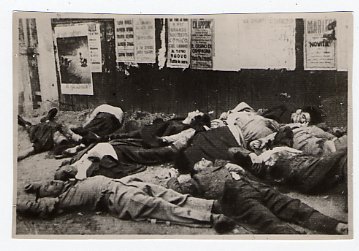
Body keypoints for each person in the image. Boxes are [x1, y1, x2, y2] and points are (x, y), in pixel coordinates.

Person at [167, 158, 348, 234]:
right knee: (268, 221)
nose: (203, 161)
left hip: (256, 187)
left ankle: (335, 226)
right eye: (199, 162)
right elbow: (175, 189)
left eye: (204, 159)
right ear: (195, 169)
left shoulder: (222, 164)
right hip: (235, 195)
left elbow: (245, 166)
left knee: (294, 205)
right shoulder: (196, 179)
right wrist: (175, 177)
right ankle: (296, 239)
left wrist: (237, 168)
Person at [16, 175, 236, 233]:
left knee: (167, 193)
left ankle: (210, 205)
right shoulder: (60, 201)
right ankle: (212, 219)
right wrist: (21, 203)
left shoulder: (67, 182)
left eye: (51, 181)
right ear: (47, 197)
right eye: (48, 186)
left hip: (123, 184)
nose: (53, 182)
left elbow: (63, 173)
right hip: (116, 199)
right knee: (161, 207)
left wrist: (35, 185)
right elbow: (32, 207)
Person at [229, 128, 347, 194]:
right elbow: (233, 151)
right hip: (307, 172)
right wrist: (252, 153)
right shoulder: (263, 158)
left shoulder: (276, 151)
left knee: (342, 158)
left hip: (308, 170)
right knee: (343, 153)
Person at [17, 108, 82, 160]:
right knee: (52, 115)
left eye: (58, 137)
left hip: (37, 129)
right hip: (47, 123)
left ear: (54, 143)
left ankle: (23, 122)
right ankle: (47, 118)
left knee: (28, 126)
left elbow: (28, 151)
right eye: (60, 135)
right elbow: (69, 131)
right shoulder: (59, 129)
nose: (59, 134)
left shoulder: (45, 143)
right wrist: (76, 137)